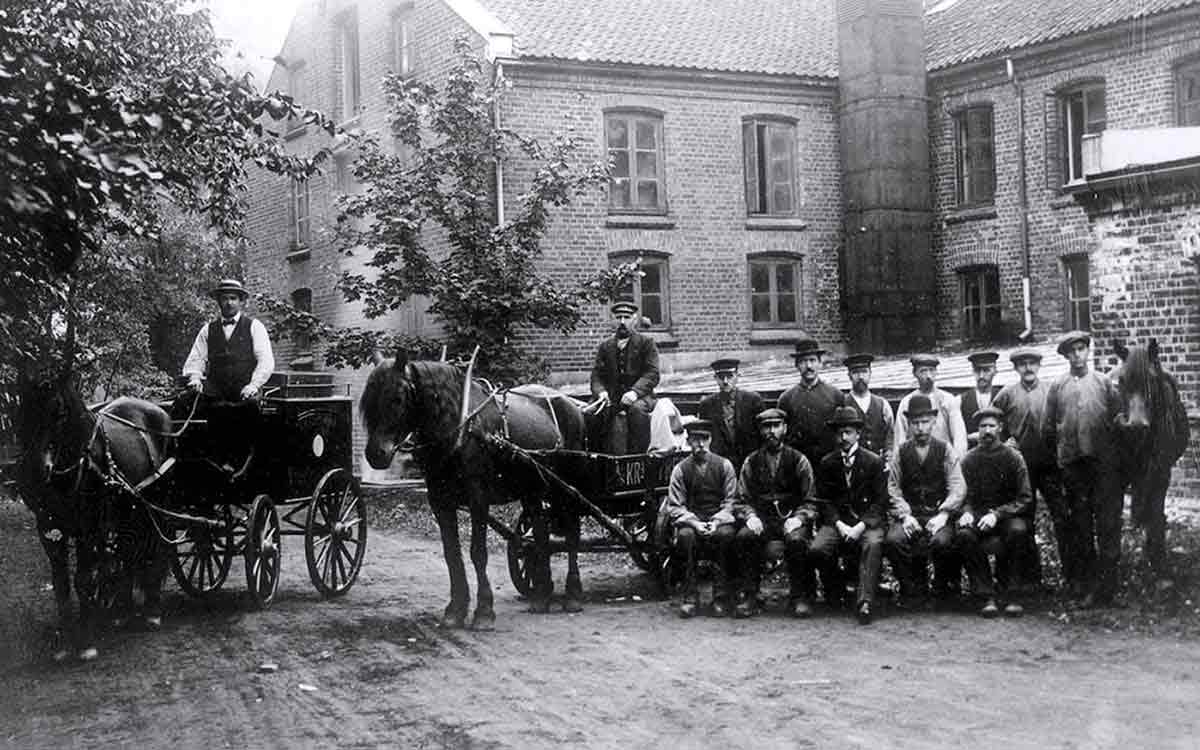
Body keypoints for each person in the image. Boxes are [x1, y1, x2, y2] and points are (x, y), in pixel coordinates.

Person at [1043, 331, 1125, 606]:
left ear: (1088, 352)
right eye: (1072, 351)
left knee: (1108, 525)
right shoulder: (1057, 386)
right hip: (1073, 469)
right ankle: (1088, 587)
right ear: (1066, 356)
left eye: (1081, 349)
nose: (1078, 355)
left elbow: (1119, 420)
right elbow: (1047, 429)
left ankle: (1109, 589)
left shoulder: (1103, 383)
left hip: (1102, 467)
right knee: (1081, 527)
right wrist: (1061, 458)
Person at [181, 278, 275, 478]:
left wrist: (253, 385)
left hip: (244, 390)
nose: (229, 303)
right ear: (219, 302)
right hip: (216, 389)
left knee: (241, 411)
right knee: (185, 403)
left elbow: (266, 361)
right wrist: (196, 378)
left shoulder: (254, 326)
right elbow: (195, 359)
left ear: (241, 302)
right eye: (225, 299)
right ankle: (190, 460)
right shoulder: (208, 330)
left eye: (233, 298)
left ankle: (236, 463)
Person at [733, 408, 819, 618]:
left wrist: (799, 518)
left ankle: (799, 597)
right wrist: (751, 516)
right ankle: (751, 596)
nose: (771, 431)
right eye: (766, 427)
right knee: (745, 536)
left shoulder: (799, 460)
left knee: (797, 540)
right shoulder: (751, 462)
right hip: (763, 520)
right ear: (760, 431)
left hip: (791, 520)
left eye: (776, 426)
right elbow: (741, 499)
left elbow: (811, 500)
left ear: (785, 428)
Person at [884, 394, 966, 609]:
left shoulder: (945, 449)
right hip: (911, 514)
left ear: (933, 422)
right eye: (915, 423)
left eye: (925, 422)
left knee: (942, 542)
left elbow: (957, 486)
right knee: (894, 540)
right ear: (909, 424)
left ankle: (941, 588)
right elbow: (892, 486)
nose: (920, 427)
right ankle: (911, 590)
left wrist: (944, 514)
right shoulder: (902, 451)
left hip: (937, 514)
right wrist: (904, 515)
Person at [810, 406, 888, 625]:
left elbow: (880, 502)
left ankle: (865, 601)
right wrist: (840, 525)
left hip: (867, 524)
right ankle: (837, 592)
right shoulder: (827, 463)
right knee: (818, 549)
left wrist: (860, 526)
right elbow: (824, 501)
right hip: (839, 524)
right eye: (839, 433)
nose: (843, 437)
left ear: (858, 434)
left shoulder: (874, 462)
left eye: (848, 432)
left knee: (872, 545)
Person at [993, 348, 1062, 590]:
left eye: (1032, 363)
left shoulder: (1051, 391)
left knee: (1062, 517)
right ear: (1016, 368)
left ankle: (1073, 577)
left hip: (1049, 466)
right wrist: (1004, 442)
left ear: (1039, 366)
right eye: (1023, 364)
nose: (1028, 368)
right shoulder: (1007, 394)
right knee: (1024, 521)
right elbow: (991, 422)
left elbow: (1060, 422)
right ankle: (1030, 579)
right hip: (1021, 469)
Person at [955, 406, 1033, 618]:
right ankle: (985, 595)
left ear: (1000, 428)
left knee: (1018, 530)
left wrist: (997, 514)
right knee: (963, 534)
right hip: (979, 517)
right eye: (982, 426)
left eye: (991, 426)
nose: (987, 431)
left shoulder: (1013, 458)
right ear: (977, 430)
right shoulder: (969, 460)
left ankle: (1012, 594)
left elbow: (1024, 498)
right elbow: (960, 495)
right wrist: (967, 511)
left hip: (1007, 516)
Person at [664, 419, 738, 618]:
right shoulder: (680, 469)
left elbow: (731, 501)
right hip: (693, 521)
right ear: (688, 442)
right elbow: (675, 506)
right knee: (686, 537)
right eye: (696, 440)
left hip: (718, 521)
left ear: (711, 439)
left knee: (726, 535)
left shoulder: (724, 466)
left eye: (704, 439)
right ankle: (690, 597)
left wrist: (716, 521)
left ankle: (720, 597)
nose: (701, 445)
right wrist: (694, 522)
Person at [590, 300, 660, 454]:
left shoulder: (646, 343)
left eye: (627, 317)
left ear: (634, 320)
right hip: (613, 398)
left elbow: (652, 373)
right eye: (619, 317)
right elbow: (596, 375)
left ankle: (639, 457)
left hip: (642, 397)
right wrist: (601, 392)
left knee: (636, 411)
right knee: (591, 412)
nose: (622, 321)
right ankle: (595, 457)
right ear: (613, 320)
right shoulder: (605, 346)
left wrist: (634, 392)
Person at [777, 338, 844, 469]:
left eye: (812, 360)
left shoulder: (836, 395)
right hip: (797, 464)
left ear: (820, 363)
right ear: (796, 365)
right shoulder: (786, 398)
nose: (808, 366)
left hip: (830, 464)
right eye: (803, 361)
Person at [697, 358, 764, 472]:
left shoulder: (753, 401)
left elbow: (762, 436)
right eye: (721, 377)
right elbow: (704, 437)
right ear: (715, 378)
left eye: (730, 376)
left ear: (738, 376)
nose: (725, 381)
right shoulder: (707, 405)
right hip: (719, 467)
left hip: (750, 465)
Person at [893, 354, 968, 456]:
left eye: (932, 370)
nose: (928, 376)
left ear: (936, 372)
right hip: (915, 460)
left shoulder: (948, 400)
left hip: (944, 458)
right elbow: (900, 438)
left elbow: (959, 436)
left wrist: (956, 461)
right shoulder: (907, 402)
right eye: (923, 371)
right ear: (915, 373)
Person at [841, 353, 894, 464]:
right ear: (849, 376)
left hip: (878, 464)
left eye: (864, 372)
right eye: (855, 373)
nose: (860, 377)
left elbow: (890, 434)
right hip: (852, 464)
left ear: (870, 374)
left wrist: (889, 454)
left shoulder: (882, 404)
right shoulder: (842, 404)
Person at [960, 351, 1000, 448]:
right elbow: (958, 434)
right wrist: (969, 437)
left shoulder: (1003, 396)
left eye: (986, 370)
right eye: (977, 370)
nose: (981, 376)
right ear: (973, 372)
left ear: (995, 371)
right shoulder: (961, 400)